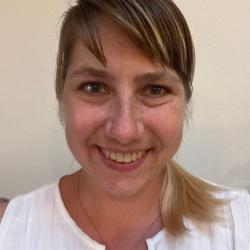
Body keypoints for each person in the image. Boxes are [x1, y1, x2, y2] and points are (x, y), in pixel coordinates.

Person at [0, 0, 249, 249]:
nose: (124, 131)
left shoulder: (240, 223)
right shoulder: (9, 229)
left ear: (185, 102)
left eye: (154, 89)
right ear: (61, 95)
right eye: (94, 87)